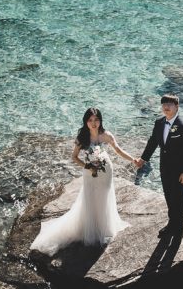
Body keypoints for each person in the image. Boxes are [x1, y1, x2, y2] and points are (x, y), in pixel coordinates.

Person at [29, 107, 135, 255]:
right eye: (90, 120)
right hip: (90, 172)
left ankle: (103, 227)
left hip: (106, 172)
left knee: (104, 197)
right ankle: (90, 227)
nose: (94, 123)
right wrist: (88, 166)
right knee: (90, 198)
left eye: (96, 120)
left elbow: (118, 150)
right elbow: (74, 157)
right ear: (86, 121)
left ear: (100, 121)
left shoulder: (106, 135)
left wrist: (134, 159)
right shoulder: (82, 138)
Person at [134, 94, 183, 236]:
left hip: (181, 171)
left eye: (170, 104)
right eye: (164, 104)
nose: (166, 107)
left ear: (177, 106)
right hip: (165, 167)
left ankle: (178, 227)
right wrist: (143, 159)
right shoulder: (159, 122)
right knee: (169, 195)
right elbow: (153, 142)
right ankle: (172, 222)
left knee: (179, 198)